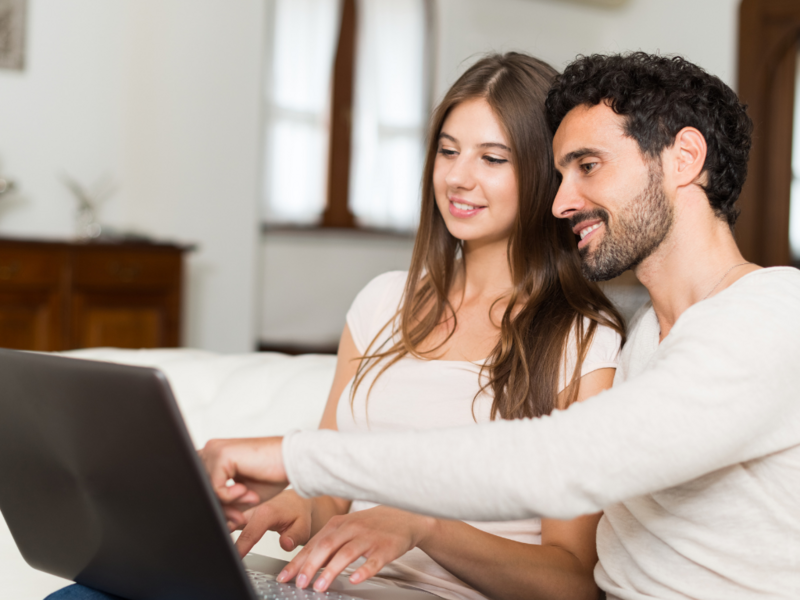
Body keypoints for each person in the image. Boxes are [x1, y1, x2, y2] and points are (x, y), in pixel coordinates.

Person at [202, 52, 800, 600]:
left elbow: (559, 462)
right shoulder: (649, 337)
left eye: (587, 166)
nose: (561, 202)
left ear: (684, 159)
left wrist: (301, 458)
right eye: (561, 173)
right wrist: (298, 500)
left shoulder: (770, 315)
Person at [45, 53, 625, 600]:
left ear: (548, 176)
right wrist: (289, 499)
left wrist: (424, 525)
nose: (458, 178)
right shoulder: (382, 303)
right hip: (329, 586)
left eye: (492, 159)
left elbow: (573, 582)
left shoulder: (582, 340)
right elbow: (332, 492)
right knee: (88, 590)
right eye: (448, 152)